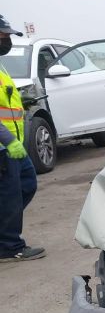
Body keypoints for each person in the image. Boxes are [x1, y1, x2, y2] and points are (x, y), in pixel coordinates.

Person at [0, 14, 44, 262]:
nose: (6, 39)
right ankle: (9, 245)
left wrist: (21, 102)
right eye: (2, 35)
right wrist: (9, 141)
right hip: (5, 146)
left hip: (12, 145)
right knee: (10, 194)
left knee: (26, 185)